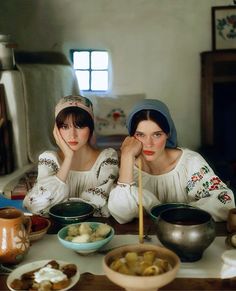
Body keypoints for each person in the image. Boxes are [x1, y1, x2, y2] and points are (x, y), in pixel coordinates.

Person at [108, 99, 235, 224]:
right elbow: (121, 212)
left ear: (168, 134)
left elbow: (224, 202)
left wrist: (176, 215)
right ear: (132, 137)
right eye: (140, 135)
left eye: (157, 134)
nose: (149, 143)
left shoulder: (190, 163)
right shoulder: (129, 167)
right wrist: (126, 155)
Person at [23, 95, 119, 217]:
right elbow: (35, 205)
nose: (72, 135)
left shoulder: (107, 159)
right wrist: (68, 158)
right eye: (65, 127)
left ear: (90, 128)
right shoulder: (48, 159)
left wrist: (57, 205)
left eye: (79, 126)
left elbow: (103, 206)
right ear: (56, 130)